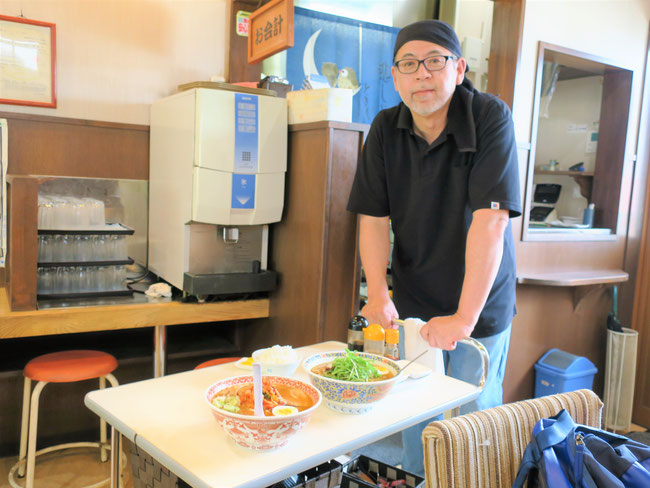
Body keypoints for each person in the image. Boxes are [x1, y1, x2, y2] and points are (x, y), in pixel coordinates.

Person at [346, 19, 521, 476]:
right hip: (416, 299)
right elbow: (372, 218)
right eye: (408, 64)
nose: (421, 74)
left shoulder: (489, 117)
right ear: (396, 76)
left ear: (459, 68)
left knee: (473, 426)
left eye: (434, 61)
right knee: (417, 419)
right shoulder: (385, 128)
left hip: (478, 304)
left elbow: (491, 222)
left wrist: (464, 318)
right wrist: (379, 294)